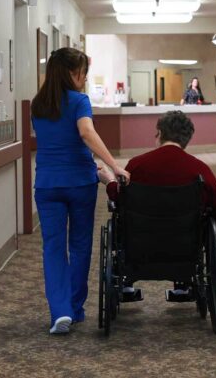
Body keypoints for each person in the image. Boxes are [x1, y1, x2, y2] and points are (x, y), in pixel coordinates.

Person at [31, 47, 130, 335]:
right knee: (79, 245)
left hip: (47, 185)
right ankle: (74, 308)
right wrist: (115, 166)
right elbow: (86, 132)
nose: (84, 78)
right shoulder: (79, 101)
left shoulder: (37, 105)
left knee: (53, 248)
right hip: (79, 184)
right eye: (82, 73)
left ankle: (59, 311)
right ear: (72, 73)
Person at [98, 110, 216, 301]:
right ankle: (183, 283)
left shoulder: (136, 165)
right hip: (186, 248)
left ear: (159, 133)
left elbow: (120, 201)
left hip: (138, 246)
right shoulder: (199, 169)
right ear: (187, 139)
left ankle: (126, 283)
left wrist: (109, 182)